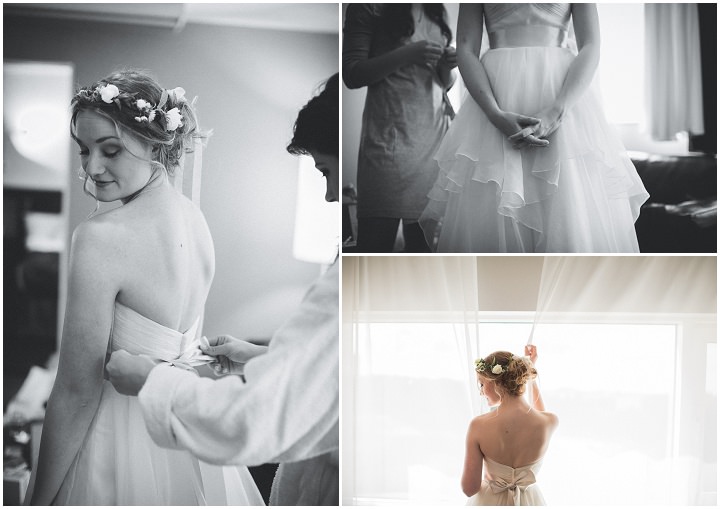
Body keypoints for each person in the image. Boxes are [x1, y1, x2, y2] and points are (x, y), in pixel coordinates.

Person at [27, 70, 263, 505]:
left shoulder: (100, 237)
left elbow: (78, 392)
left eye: (110, 150)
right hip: (184, 434)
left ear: (156, 143)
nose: (91, 167)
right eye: (84, 150)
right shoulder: (196, 219)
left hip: (116, 441)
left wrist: (37, 500)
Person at [105, 73, 340, 506]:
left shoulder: (98, 238)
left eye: (327, 170)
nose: (330, 197)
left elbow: (260, 418)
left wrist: (154, 381)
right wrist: (260, 358)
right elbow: (335, 379)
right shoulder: (196, 221)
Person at [419, 4, 649, 252]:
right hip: (497, 92)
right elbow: (466, 48)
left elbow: (591, 44)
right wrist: (495, 114)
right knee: (494, 202)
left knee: (569, 205)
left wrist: (557, 111)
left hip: (560, 89)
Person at [343, 3, 456, 252]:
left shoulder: (436, 9)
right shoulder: (368, 7)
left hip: (433, 142)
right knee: (375, 246)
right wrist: (409, 53)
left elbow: (442, 83)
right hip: (388, 141)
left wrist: (447, 66)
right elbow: (352, 73)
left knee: (423, 252)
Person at [462, 345, 558, 505]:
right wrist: (530, 376)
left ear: (495, 382)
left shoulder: (478, 426)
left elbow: (469, 488)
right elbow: (539, 413)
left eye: (482, 384)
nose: (481, 392)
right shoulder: (550, 422)